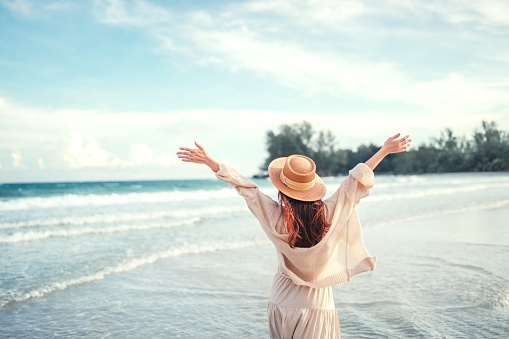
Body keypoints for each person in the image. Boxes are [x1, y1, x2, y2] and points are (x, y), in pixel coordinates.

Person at [176, 133, 411, 339]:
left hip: (281, 298)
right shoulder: (330, 213)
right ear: (312, 186)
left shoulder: (274, 216)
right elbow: (355, 181)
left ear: (282, 188)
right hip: (316, 304)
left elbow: (246, 188)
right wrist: (385, 150)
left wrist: (210, 162)